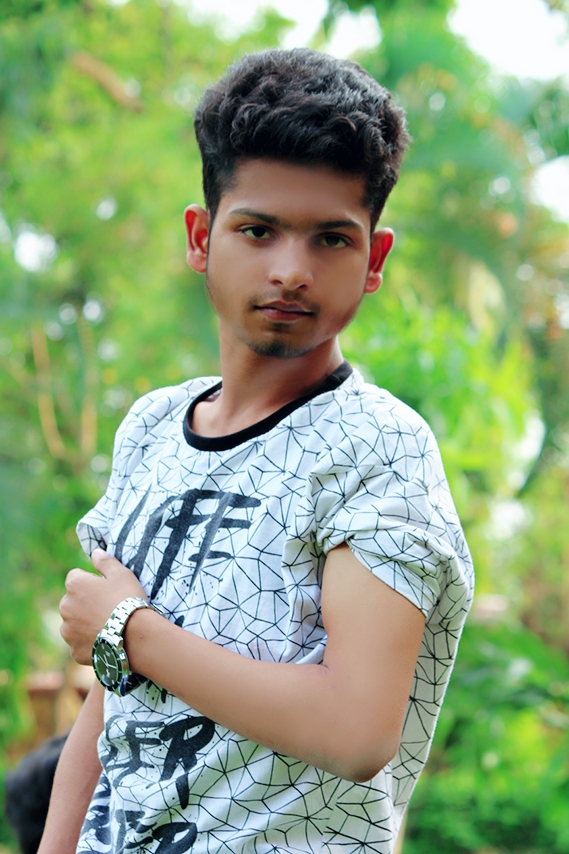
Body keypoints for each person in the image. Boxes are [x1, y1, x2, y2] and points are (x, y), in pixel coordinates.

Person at [39, 48, 474, 854]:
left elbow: (355, 731)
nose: (291, 271)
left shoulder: (377, 449)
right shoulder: (151, 427)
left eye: (330, 239)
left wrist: (131, 631)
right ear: (201, 238)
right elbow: (113, 704)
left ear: (374, 260)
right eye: (258, 230)